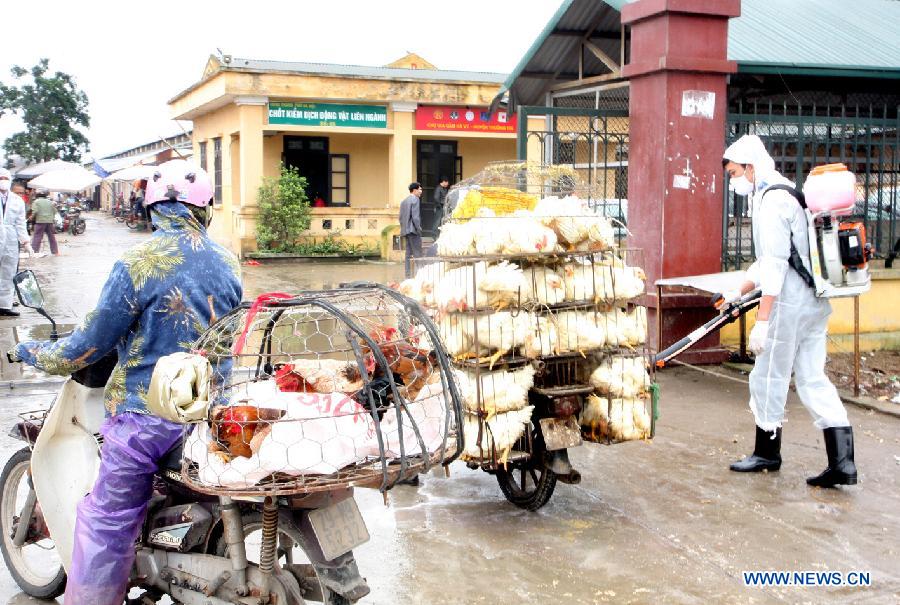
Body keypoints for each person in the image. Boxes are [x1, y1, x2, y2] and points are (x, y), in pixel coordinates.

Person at [11, 160, 243, 604]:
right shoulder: (227, 261)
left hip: (146, 420)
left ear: (151, 206)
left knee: (108, 519)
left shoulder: (138, 262)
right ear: (205, 207)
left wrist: (34, 352)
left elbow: (88, 345)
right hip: (210, 417)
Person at [720, 134, 857, 488]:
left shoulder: (770, 202)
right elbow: (770, 261)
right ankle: (843, 462)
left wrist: (762, 322)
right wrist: (739, 291)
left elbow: (776, 267)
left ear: (751, 167)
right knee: (812, 378)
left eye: (735, 173)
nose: (733, 180)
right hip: (815, 301)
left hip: (789, 304)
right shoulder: (785, 192)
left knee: (767, 376)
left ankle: (767, 452)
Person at [0, 168, 29, 317]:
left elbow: (20, 223)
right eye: (0, 178)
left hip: (10, 238)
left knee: (9, 271)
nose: (2, 181)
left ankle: (4, 305)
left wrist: (25, 242)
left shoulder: (17, 200)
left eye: (5, 178)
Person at [399, 181, 423, 278]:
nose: (421, 191)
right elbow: (415, 217)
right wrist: (419, 228)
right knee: (418, 254)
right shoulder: (415, 199)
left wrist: (404, 228)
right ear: (414, 190)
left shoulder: (404, 201)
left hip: (406, 231)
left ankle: (408, 276)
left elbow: (400, 217)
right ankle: (421, 275)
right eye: (420, 189)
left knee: (408, 255)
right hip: (413, 231)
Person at [29, 189, 60, 256]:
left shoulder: (36, 202)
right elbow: (55, 211)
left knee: (37, 236)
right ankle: (55, 252)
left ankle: (34, 251)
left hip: (40, 221)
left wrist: (31, 217)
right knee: (51, 237)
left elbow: (35, 211)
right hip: (49, 222)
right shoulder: (50, 202)